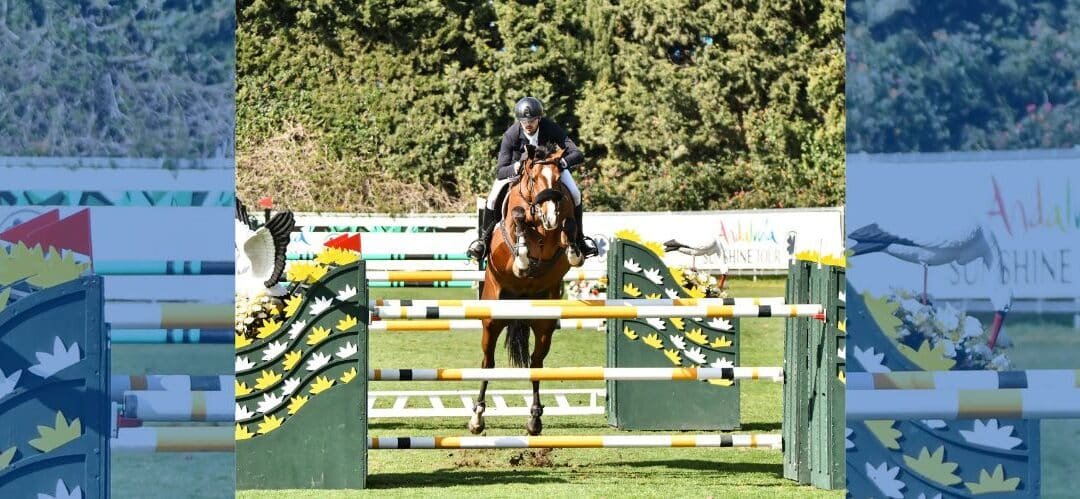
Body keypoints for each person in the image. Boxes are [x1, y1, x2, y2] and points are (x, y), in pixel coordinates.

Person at [467, 96, 598, 261]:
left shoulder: (550, 128)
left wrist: (561, 162)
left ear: (539, 118)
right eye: (524, 121)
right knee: (492, 198)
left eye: (532, 120)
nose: (528, 125)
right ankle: (483, 241)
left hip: (549, 169)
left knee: (576, 193)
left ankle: (579, 239)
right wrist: (516, 167)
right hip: (520, 171)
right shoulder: (511, 135)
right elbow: (500, 171)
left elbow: (577, 153)